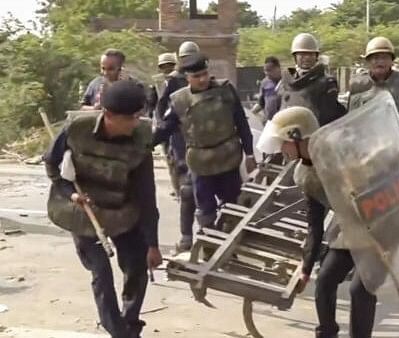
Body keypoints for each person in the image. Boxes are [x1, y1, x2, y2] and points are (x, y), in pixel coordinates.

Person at [44, 80, 163, 338]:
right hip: (85, 213)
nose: (135, 122)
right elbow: (53, 166)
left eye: (138, 115)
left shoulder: (141, 138)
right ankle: (117, 331)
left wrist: (152, 243)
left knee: (136, 269)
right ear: (108, 115)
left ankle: (130, 323)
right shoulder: (77, 129)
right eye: (130, 117)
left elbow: (146, 194)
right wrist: (71, 193)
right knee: (102, 274)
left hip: (124, 212)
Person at [257, 106, 377, 338]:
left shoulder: (343, 156)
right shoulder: (304, 174)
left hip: (381, 224)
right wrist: (306, 267)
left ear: (297, 137)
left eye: (283, 143)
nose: (281, 150)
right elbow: (315, 223)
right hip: (349, 228)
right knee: (324, 281)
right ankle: (326, 333)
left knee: (360, 290)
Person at [153, 54, 257, 232]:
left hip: (228, 159)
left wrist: (249, 153)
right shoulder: (180, 100)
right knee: (205, 210)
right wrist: (143, 145)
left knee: (232, 207)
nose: (202, 79)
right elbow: (165, 128)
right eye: (196, 76)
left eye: (204, 74)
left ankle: (228, 246)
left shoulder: (226, 90)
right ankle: (209, 248)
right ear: (187, 78)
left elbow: (241, 122)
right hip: (200, 164)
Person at [154, 41, 200, 250]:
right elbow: (163, 109)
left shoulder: (212, 82)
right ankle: (187, 237)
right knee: (188, 189)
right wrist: (157, 135)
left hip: (206, 144)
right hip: (182, 140)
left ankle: (212, 238)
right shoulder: (174, 83)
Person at [348, 36, 399, 153]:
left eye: (384, 58)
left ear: (391, 60)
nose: (380, 62)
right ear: (368, 61)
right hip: (366, 149)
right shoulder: (357, 84)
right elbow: (350, 119)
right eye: (375, 58)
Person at [278, 33, 346, 126]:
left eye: (310, 54)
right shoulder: (286, 81)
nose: (306, 58)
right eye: (302, 54)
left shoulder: (327, 82)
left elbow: (328, 116)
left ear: (316, 56)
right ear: (295, 57)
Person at [148, 52, 178, 119]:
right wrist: (151, 111)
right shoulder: (157, 81)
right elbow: (152, 99)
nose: (166, 68)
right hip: (161, 113)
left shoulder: (179, 79)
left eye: (169, 65)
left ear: (173, 66)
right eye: (163, 66)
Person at [254, 56, 282, 121]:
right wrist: (253, 113)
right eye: (265, 71)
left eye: (269, 70)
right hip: (269, 122)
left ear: (278, 68)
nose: (267, 73)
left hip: (284, 121)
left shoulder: (287, 81)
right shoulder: (265, 83)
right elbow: (261, 103)